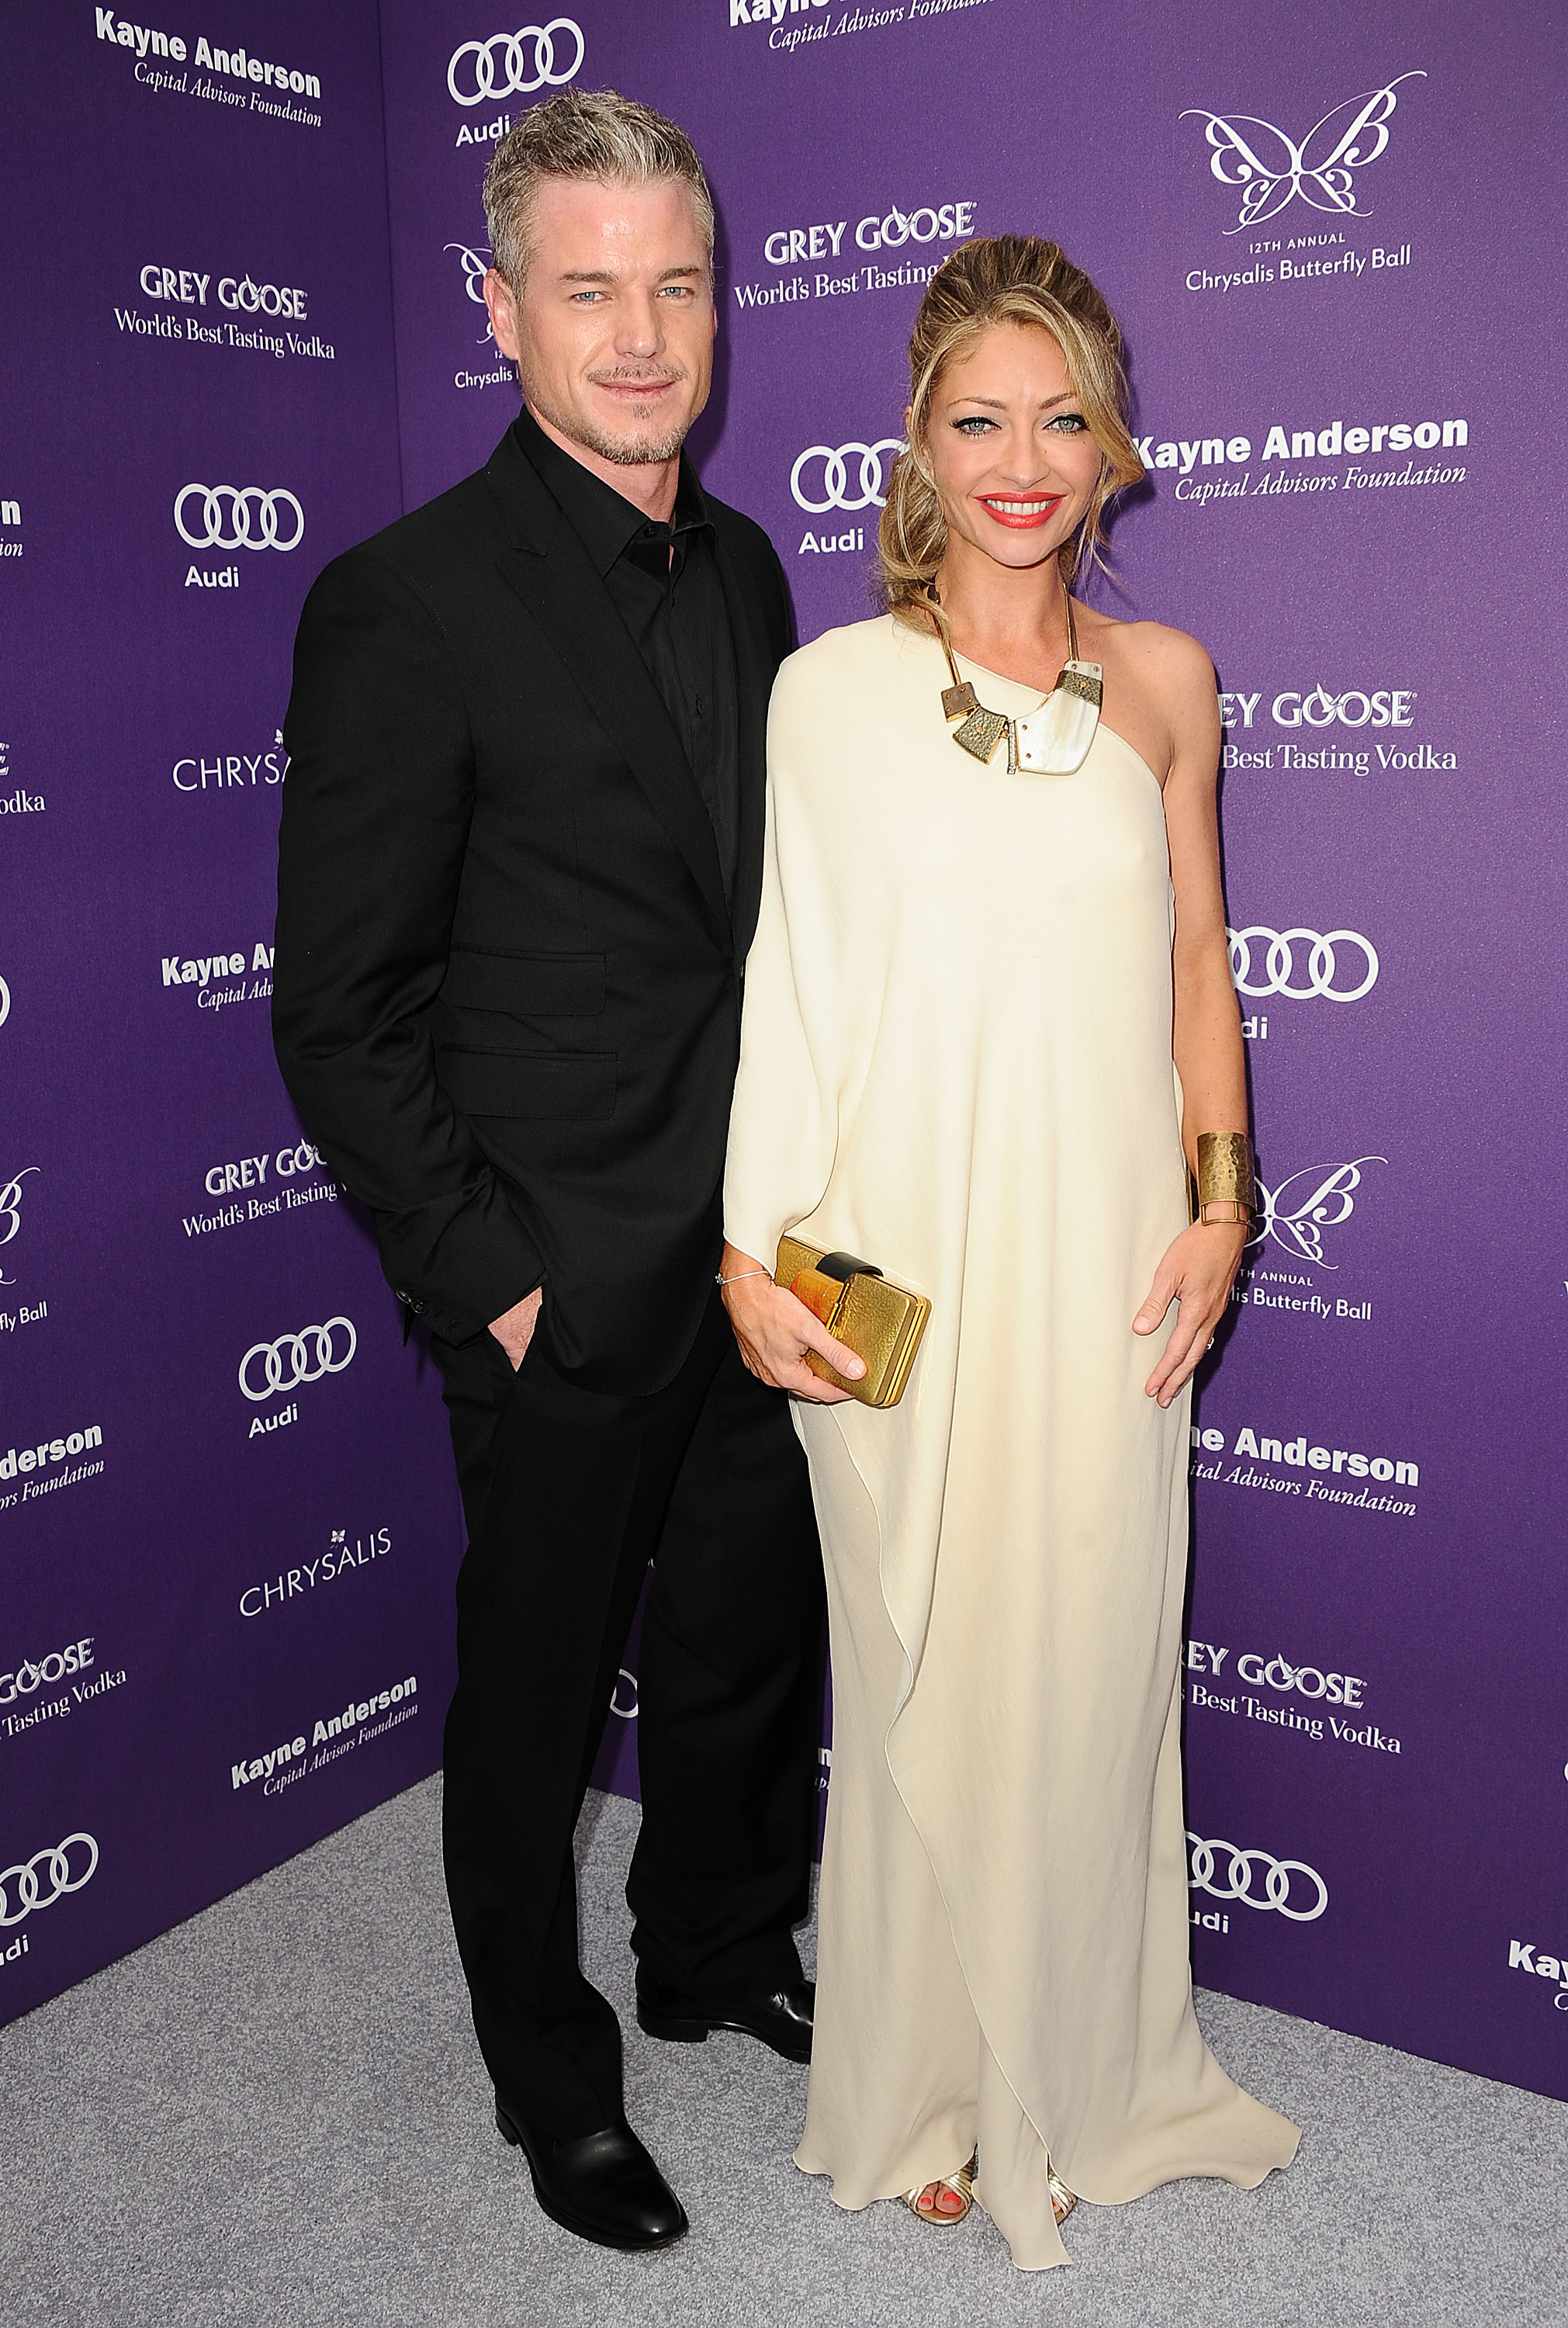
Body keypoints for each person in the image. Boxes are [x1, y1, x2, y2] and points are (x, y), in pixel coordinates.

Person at [271, 91, 827, 2255]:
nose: (637, 333)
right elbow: (340, 1007)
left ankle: (708, 1946)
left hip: (770, 1253)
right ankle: (550, 2073)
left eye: (675, 284)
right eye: (586, 288)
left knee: (744, 1645)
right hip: (561, 1276)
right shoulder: (403, 602)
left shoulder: (760, 565)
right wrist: (495, 1281)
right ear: (498, 308)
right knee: (527, 1703)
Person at [719, 235, 1300, 2271]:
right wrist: (752, 1261)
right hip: (886, 1260)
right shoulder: (831, 692)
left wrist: (1222, 1202)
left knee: (1084, 1654)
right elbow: (794, 988)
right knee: (907, 1655)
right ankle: (931, 2078)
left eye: (1063, 417)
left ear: (1116, 440)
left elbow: (1202, 964)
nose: (1024, 460)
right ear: (917, 444)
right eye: (980, 419)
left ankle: (1075, 2059)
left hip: (1107, 1251)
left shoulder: (1167, 686)